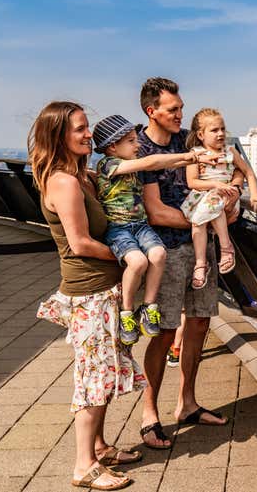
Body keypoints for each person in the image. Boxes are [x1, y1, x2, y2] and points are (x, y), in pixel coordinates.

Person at [30, 101, 145, 490]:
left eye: (87, 127)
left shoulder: (82, 175)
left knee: (105, 371)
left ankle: (99, 446)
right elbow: (79, 243)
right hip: (90, 292)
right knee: (94, 378)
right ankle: (84, 466)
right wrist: (129, 256)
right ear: (59, 135)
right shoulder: (63, 182)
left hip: (101, 289)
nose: (88, 134)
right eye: (78, 129)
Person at [136, 77, 248, 449]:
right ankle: (149, 413)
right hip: (166, 250)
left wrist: (232, 193)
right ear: (152, 111)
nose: (180, 114)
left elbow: (234, 161)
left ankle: (187, 403)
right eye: (173, 109)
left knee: (198, 324)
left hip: (200, 247)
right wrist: (209, 216)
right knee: (167, 332)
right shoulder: (141, 148)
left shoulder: (188, 139)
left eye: (181, 108)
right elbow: (156, 212)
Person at [92, 115, 218, 344]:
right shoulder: (108, 165)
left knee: (158, 254)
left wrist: (191, 160)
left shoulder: (129, 161)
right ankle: (127, 312)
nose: (137, 144)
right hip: (120, 229)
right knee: (138, 262)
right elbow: (151, 163)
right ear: (112, 146)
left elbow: (162, 163)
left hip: (140, 226)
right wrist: (187, 156)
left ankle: (148, 307)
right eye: (131, 141)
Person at [182, 107, 257, 289]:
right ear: (201, 134)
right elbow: (192, 182)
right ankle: (213, 255)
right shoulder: (196, 154)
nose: (220, 134)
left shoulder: (230, 152)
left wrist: (254, 194)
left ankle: (205, 262)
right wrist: (215, 184)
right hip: (202, 197)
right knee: (202, 218)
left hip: (226, 199)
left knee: (210, 210)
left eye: (222, 129)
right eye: (214, 130)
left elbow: (247, 172)